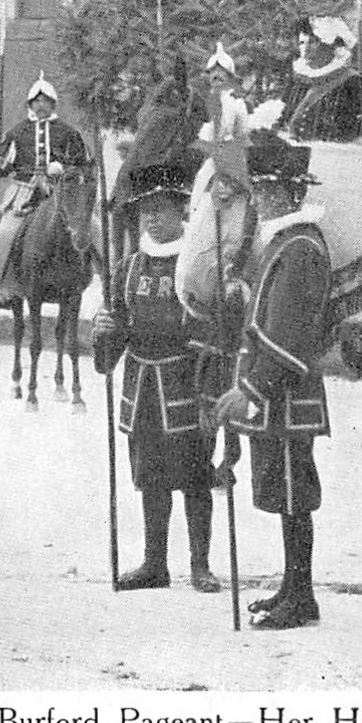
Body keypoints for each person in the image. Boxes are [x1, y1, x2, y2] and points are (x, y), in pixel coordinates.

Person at [208, 132, 332, 631]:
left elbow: (288, 334)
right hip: (278, 396)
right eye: (255, 189)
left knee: (294, 495)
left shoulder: (300, 248)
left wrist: (250, 389)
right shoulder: (285, 242)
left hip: (285, 395)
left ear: (287, 193)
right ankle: (292, 587)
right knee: (285, 494)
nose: (257, 199)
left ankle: (302, 598)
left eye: (264, 190)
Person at [92, 144, 222, 593]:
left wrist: (211, 389)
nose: (152, 218)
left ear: (181, 214)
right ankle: (154, 564)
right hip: (141, 389)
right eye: (146, 210)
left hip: (186, 386)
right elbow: (110, 351)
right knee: (150, 480)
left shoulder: (197, 267)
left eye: (162, 210)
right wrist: (104, 330)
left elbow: (214, 333)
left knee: (195, 478)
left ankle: (201, 565)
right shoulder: (127, 269)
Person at [0, 73, 90, 308]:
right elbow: (1, 164)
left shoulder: (68, 132)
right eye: (36, 101)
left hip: (59, 191)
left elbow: (81, 163)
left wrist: (61, 167)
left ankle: (104, 281)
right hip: (23, 193)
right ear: (30, 104)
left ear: (53, 103)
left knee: (90, 226)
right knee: (5, 233)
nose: (41, 105)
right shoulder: (17, 132)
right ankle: (8, 290)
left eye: (45, 101)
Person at [281, 16, 362, 143]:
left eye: (313, 42)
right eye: (302, 42)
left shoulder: (353, 83)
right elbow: (283, 119)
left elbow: (361, 131)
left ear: (330, 45)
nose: (306, 48)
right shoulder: (298, 81)